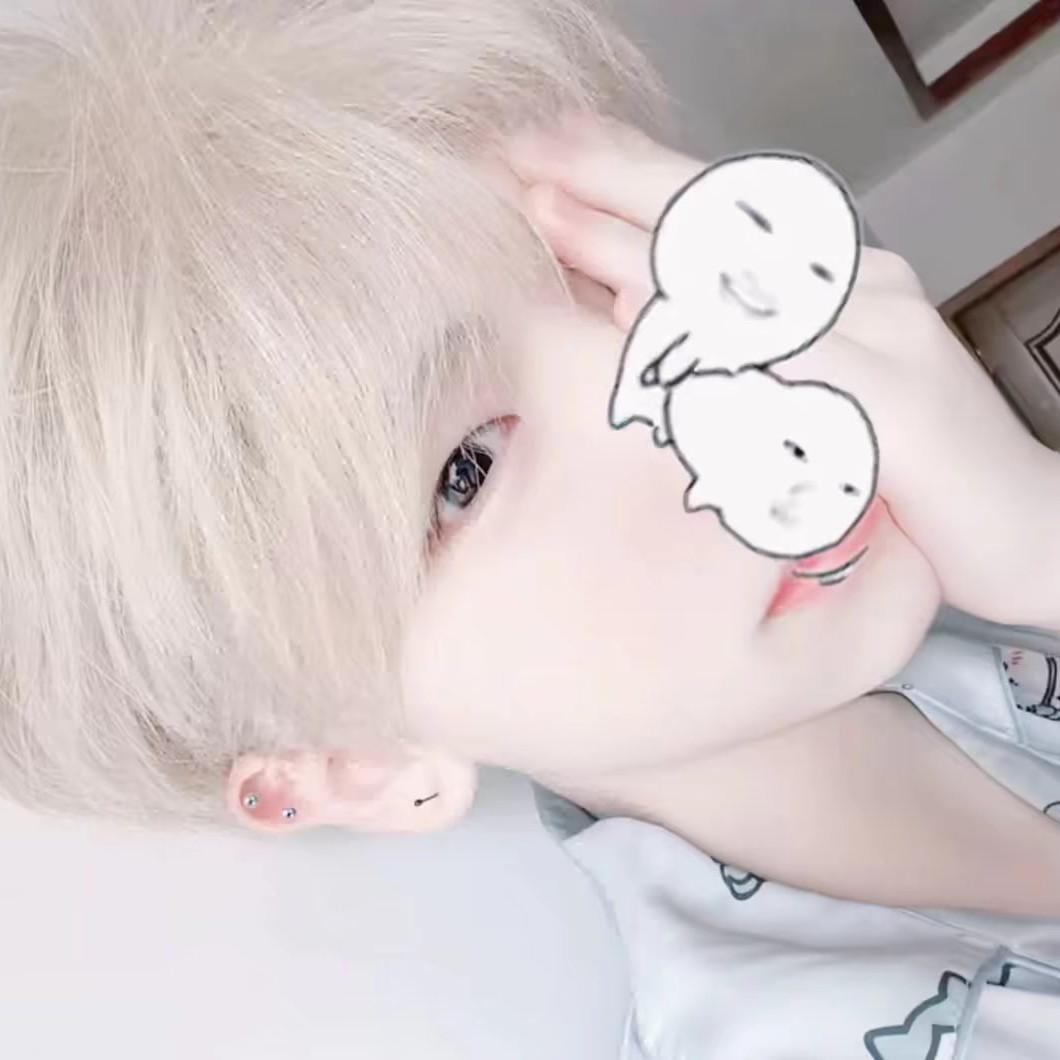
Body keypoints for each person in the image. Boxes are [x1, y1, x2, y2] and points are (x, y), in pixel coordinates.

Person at [1, 0, 1058, 924]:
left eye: (603, 258)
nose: (709, 378)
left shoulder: (959, 555)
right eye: (466, 469)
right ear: (357, 765)